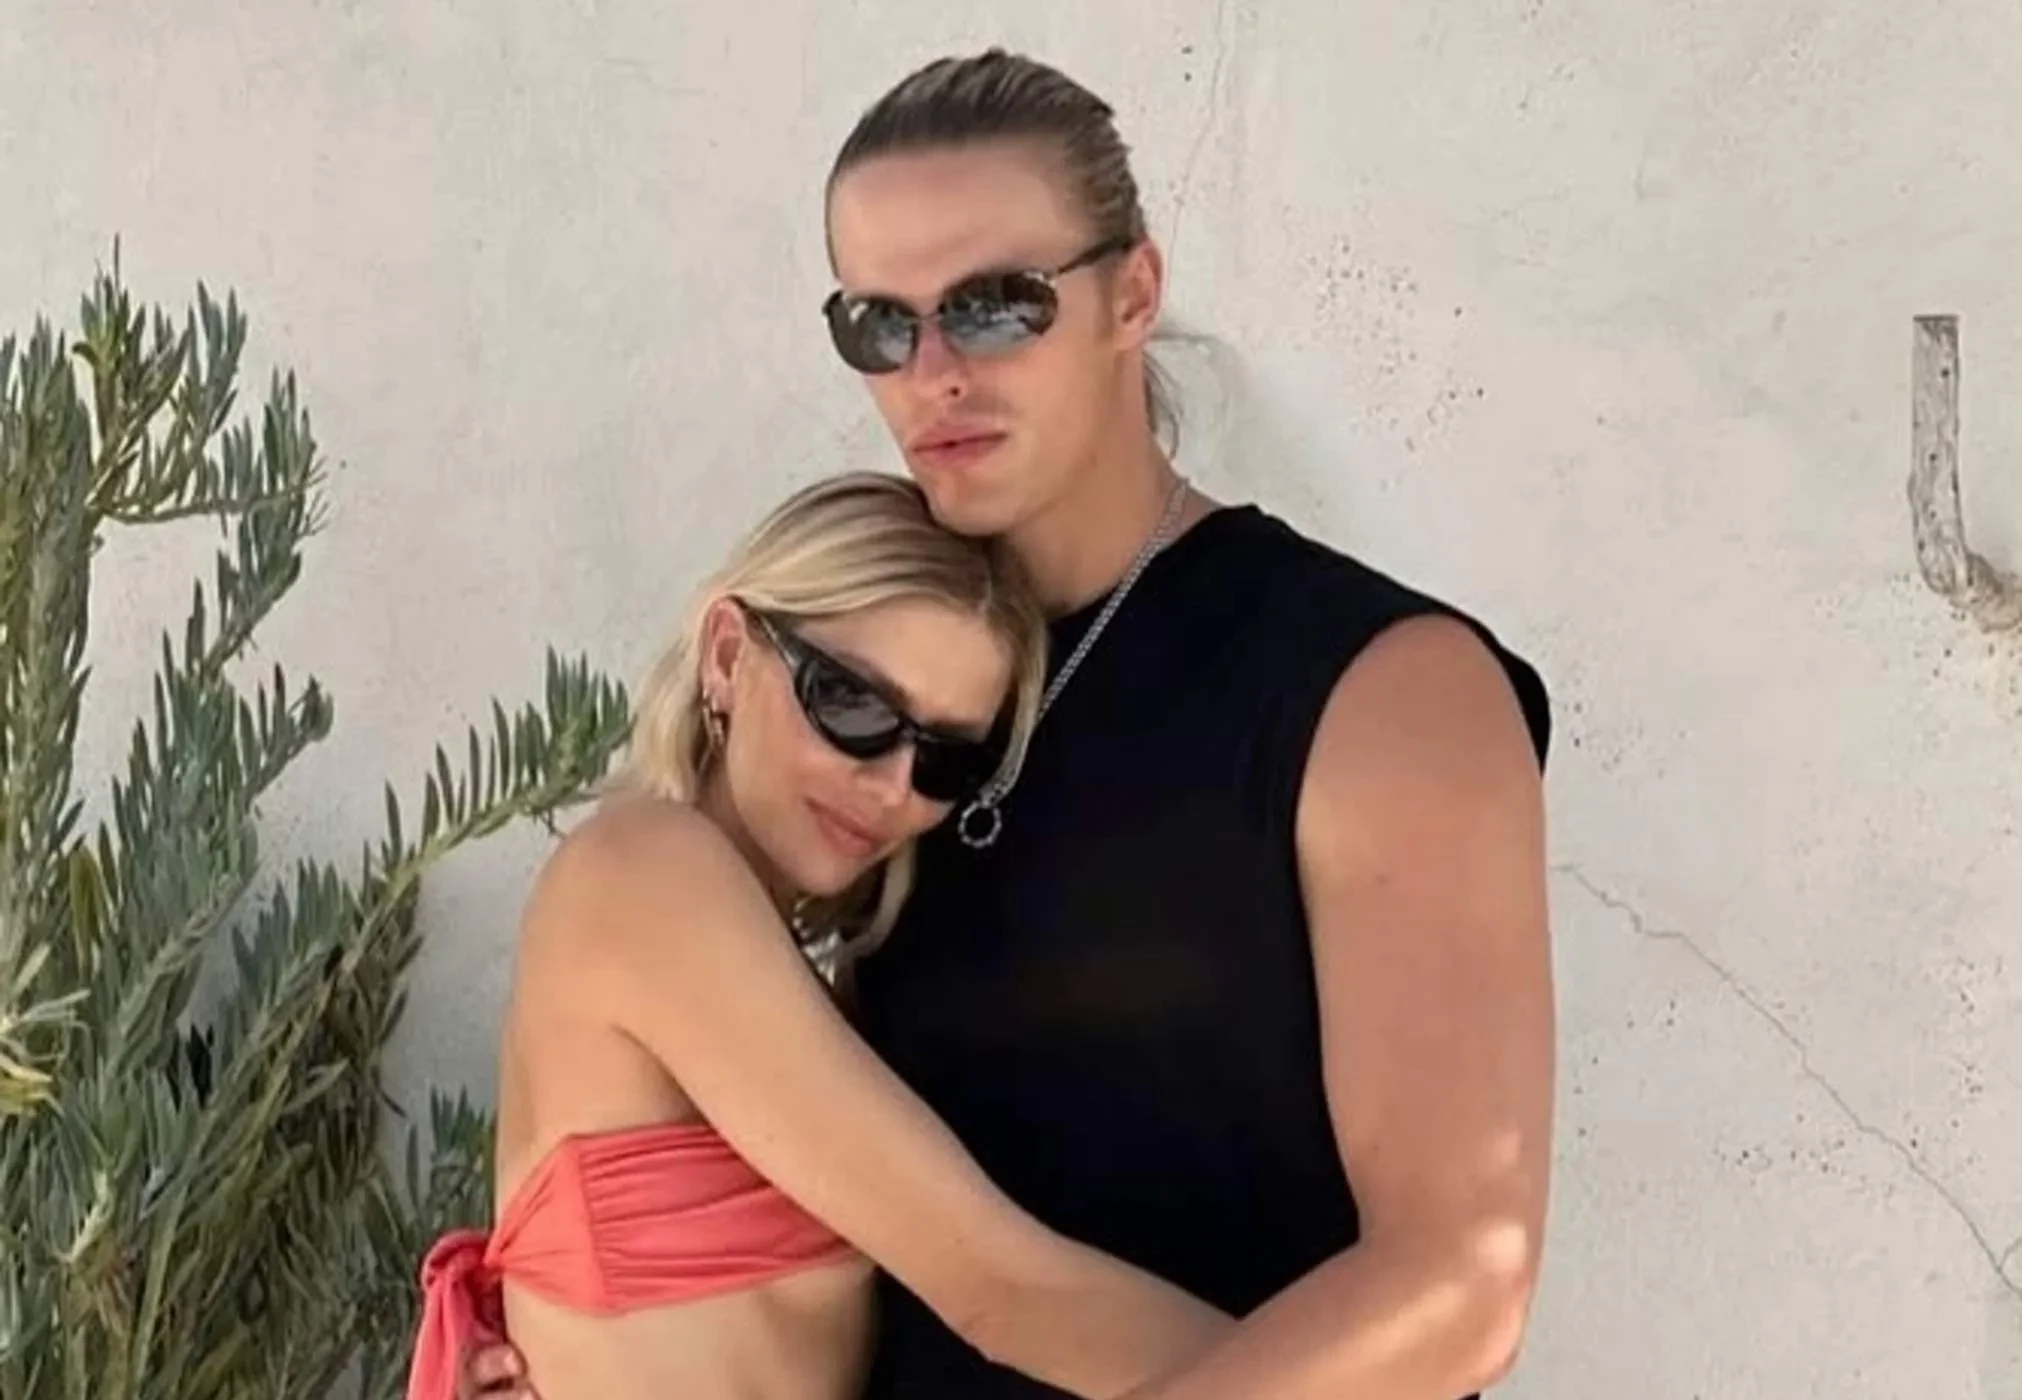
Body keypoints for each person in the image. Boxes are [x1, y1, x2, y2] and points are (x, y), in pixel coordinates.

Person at [461, 47, 1555, 1400]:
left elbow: (1458, 1281)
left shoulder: (1379, 686)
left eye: (992, 308)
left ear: (1131, 294)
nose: (932, 372)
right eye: (879, 324)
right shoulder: (871, 748)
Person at [408, 471, 1238, 1400]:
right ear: (727, 655)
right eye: (853, 707)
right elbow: (999, 1288)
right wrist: (1342, 1361)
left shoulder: (821, 993)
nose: (892, 787)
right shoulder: (640, 871)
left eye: (947, 757)